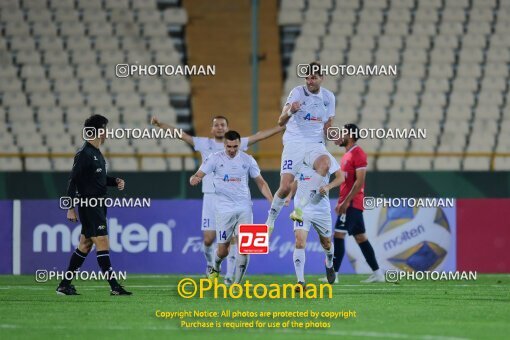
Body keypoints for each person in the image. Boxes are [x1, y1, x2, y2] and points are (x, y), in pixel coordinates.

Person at [151, 116, 282, 284]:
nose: (220, 128)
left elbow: (260, 138)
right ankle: (213, 265)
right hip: (216, 200)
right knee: (215, 244)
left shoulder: (246, 156)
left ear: (229, 131)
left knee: (242, 244)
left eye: (223, 125)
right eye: (217, 125)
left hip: (243, 205)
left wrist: (281, 128)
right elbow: (182, 136)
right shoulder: (207, 148)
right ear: (213, 129)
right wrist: (161, 124)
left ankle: (233, 280)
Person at [57, 114, 132, 295]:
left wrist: (114, 181)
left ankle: (64, 285)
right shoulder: (84, 154)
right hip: (89, 204)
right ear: (99, 131)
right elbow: (72, 181)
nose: (107, 133)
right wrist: (70, 208)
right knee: (103, 241)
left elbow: (98, 179)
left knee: (85, 245)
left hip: (98, 204)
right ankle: (115, 287)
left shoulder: (96, 153)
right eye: (105, 129)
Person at [189, 131, 273, 283]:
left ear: (239, 144)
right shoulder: (215, 158)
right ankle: (216, 266)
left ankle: (236, 283)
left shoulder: (248, 160)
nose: (232, 150)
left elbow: (260, 182)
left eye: (235, 146)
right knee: (223, 250)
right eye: (229, 147)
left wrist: (271, 200)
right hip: (223, 209)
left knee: (245, 247)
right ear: (224, 145)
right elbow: (198, 174)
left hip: (244, 208)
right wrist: (194, 179)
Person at [265, 61, 336, 232]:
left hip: (314, 143)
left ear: (322, 78)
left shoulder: (328, 97)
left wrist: (335, 136)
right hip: (294, 142)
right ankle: (271, 220)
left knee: (325, 164)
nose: (310, 81)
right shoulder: (297, 92)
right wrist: (290, 112)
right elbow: (280, 121)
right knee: (286, 187)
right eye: (307, 78)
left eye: (314, 78)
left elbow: (328, 127)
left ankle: (300, 208)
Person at [319, 123, 384, 283]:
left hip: (352, 203)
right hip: (349, 203)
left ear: (351, 135)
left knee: (338, 235)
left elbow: (359, 182)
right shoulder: (347, 154)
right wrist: (342, 201)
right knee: (361, 237)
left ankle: (334, 275)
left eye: (344, 133)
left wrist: (345, 202)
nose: (341, 135)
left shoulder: (358, 153)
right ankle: (378, 274)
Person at [286, 157, 344, 291]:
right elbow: (295, 181)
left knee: (326, 243)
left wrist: (328, 186)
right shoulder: (299, 157)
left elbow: (341, 178)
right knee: (299, 242)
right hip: (302, 208)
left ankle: (329, 263)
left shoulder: (326, 158)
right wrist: (289, 195)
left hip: (321, 209)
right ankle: (300, 282)